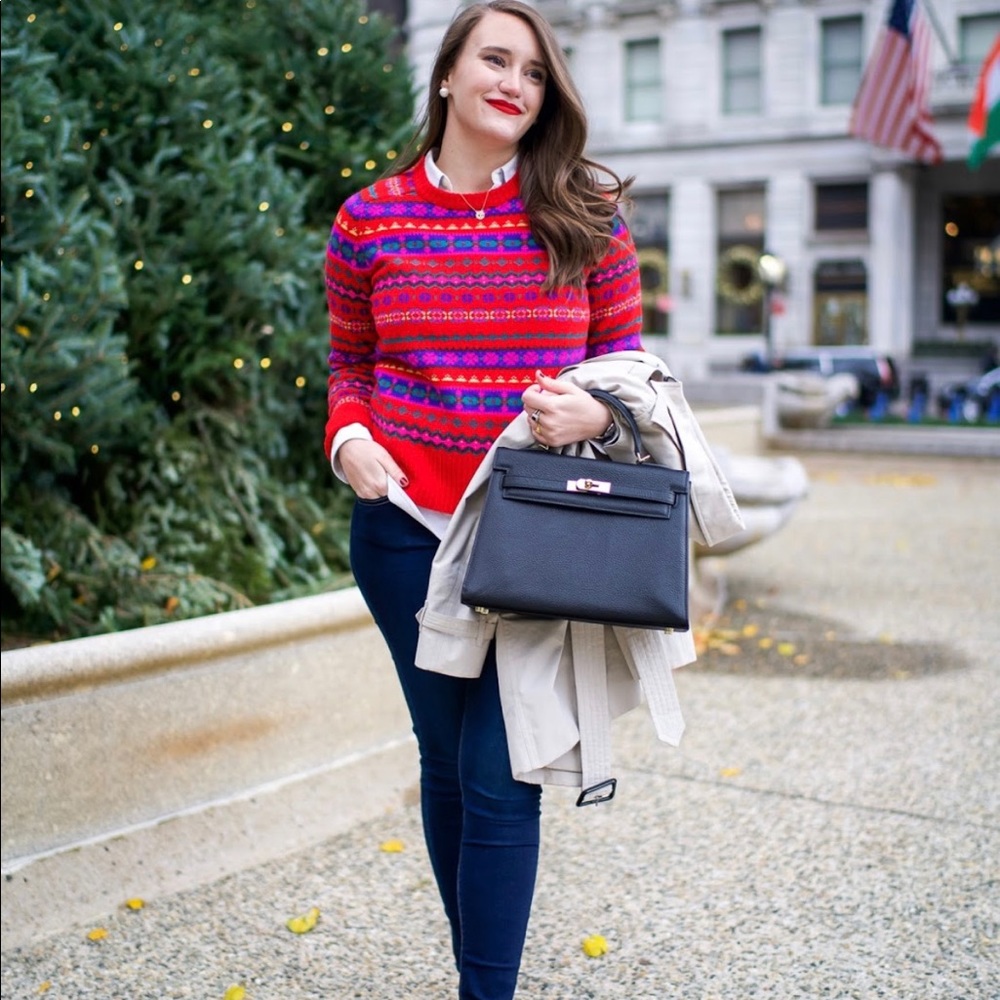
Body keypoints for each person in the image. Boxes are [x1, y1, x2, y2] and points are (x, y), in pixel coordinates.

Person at [323, 3, 648, 996]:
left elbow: (630, 379)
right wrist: (347, 436)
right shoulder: (368, 219)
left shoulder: (585, 215)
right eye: (494, 61)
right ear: (447, 79)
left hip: (537, 538)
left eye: (535, 72)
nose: (515, 83)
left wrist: (590, 410)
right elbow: (351, 361)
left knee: (500, 774)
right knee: (445, 760)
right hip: (406, 535)